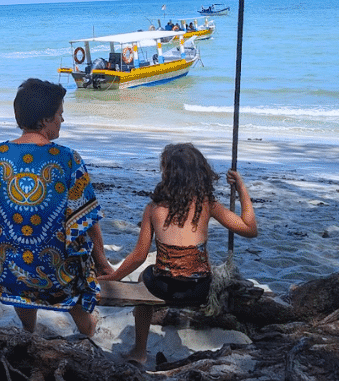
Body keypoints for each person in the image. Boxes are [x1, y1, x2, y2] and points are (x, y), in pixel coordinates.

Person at [0, 78, 113, 336]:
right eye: (60, 114)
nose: (63, 120)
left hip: (1, 272)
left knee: (18, 258)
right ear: (45, 120)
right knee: (72, 273)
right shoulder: (68, 159)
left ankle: (29, 326)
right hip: (57, 279)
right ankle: (88, 329)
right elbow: (87, 218)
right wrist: (102, 262)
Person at [99, 143, 257, 365]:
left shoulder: (153, 208)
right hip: (199, 287)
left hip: (164, 286)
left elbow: (139, 256)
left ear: (168, 174)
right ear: (200, 173)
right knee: (165, 272)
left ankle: (139, 351)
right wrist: (241, 187)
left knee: (145, 278)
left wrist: (113, 277)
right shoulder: (208, 204)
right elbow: (250, 229)